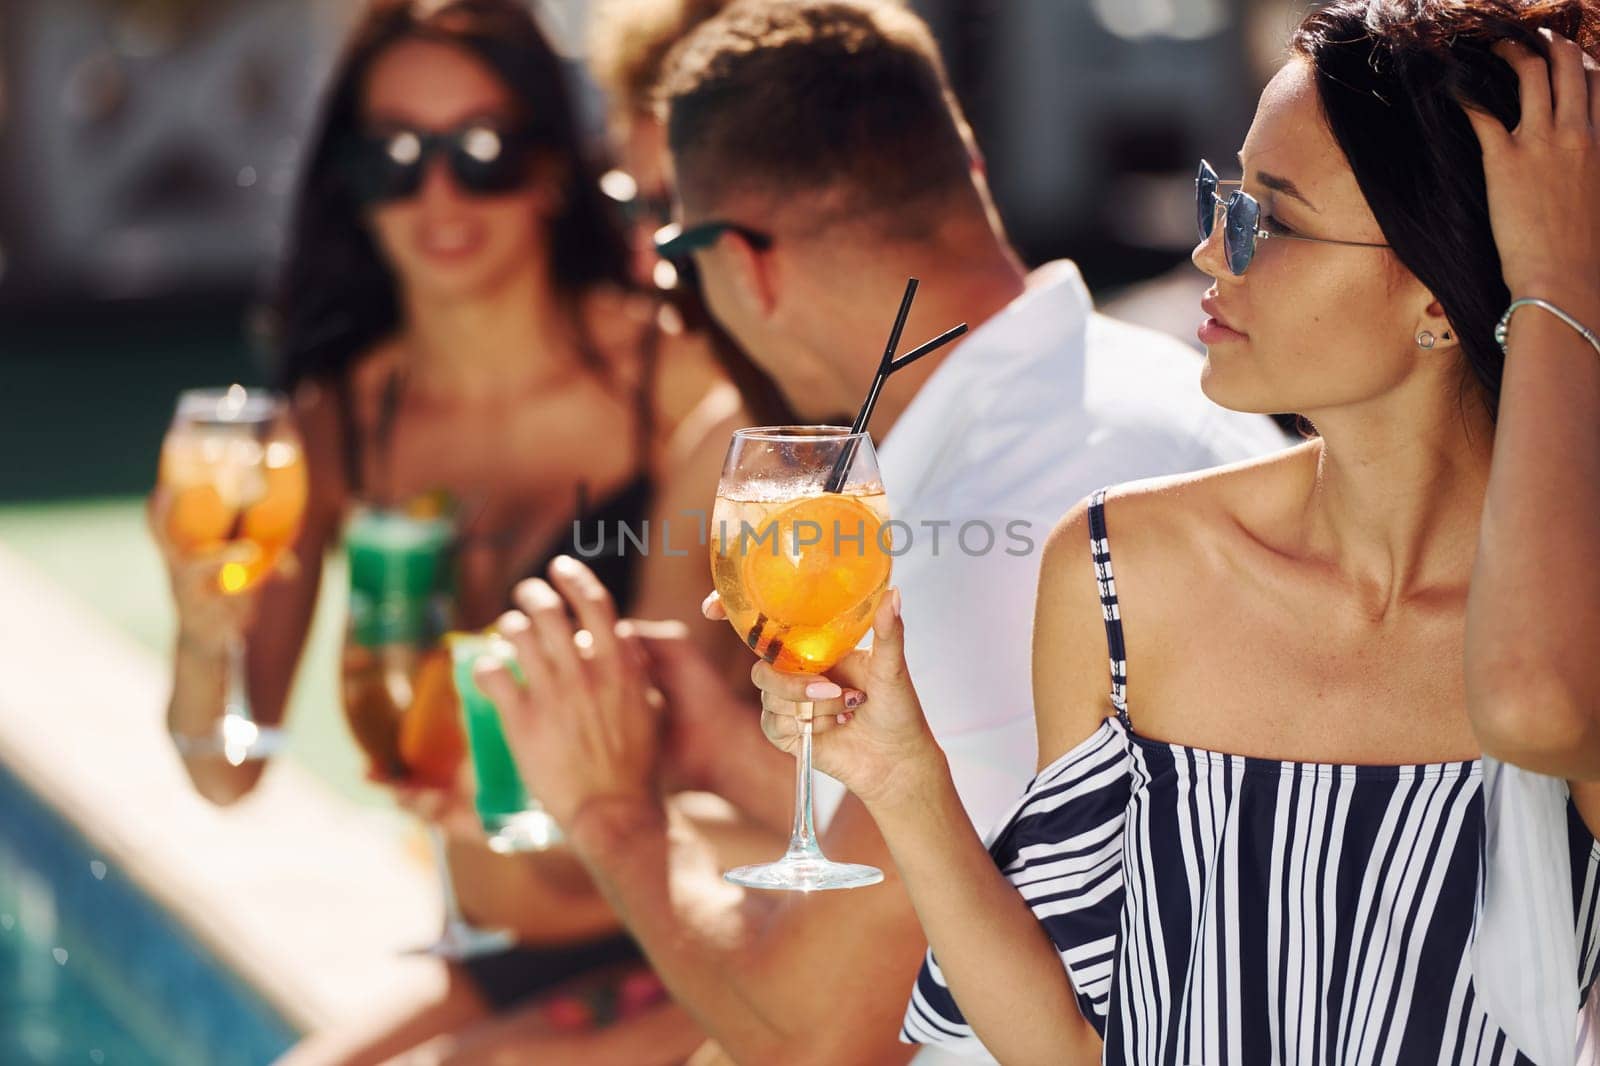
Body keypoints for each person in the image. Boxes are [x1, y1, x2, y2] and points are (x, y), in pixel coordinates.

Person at [738, 1, 1600, 1062]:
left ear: (1435, 295)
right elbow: (1066, 1043)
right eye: (1222, 195)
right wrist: (901, 775)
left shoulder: (1565, 632)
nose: (1207, 247)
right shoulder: (1117, 571)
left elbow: (1533, 702)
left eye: (1267, 219)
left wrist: (1557, 283)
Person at [472, 1, 1286, 1061]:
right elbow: (997, 835)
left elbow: (813, 1030)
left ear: (748, 267)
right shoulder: (1149, 383)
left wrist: (608, 811)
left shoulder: (976, 533)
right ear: (969, 173)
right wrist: (718, 748)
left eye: (674, 249)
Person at [148, 0, 749, 1061]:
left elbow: (681, 760)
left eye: (483, 151)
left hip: (674, 932)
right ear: (350, 179)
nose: (437, 193)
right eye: (394, 156)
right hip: (485, 950)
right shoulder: (338, 424)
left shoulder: (675, 385)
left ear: (553, 167)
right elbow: (227, 768)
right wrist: (203, 630)